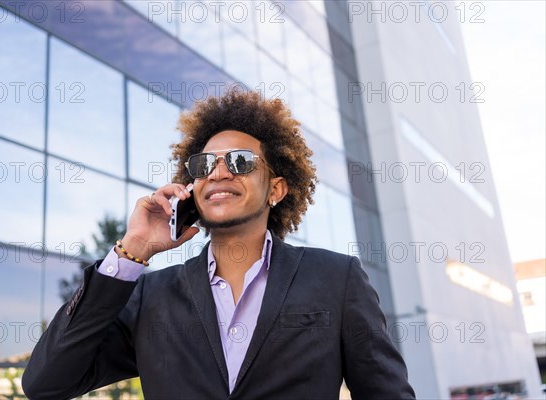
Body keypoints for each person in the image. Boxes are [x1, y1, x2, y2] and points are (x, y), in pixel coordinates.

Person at [22, 90, 416, 399]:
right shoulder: (151, 297)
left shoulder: (336, 278)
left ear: (275, 189)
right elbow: (45, 382)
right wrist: (133, 249)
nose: (219, 172)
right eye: (204, 165)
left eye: (241, 162)